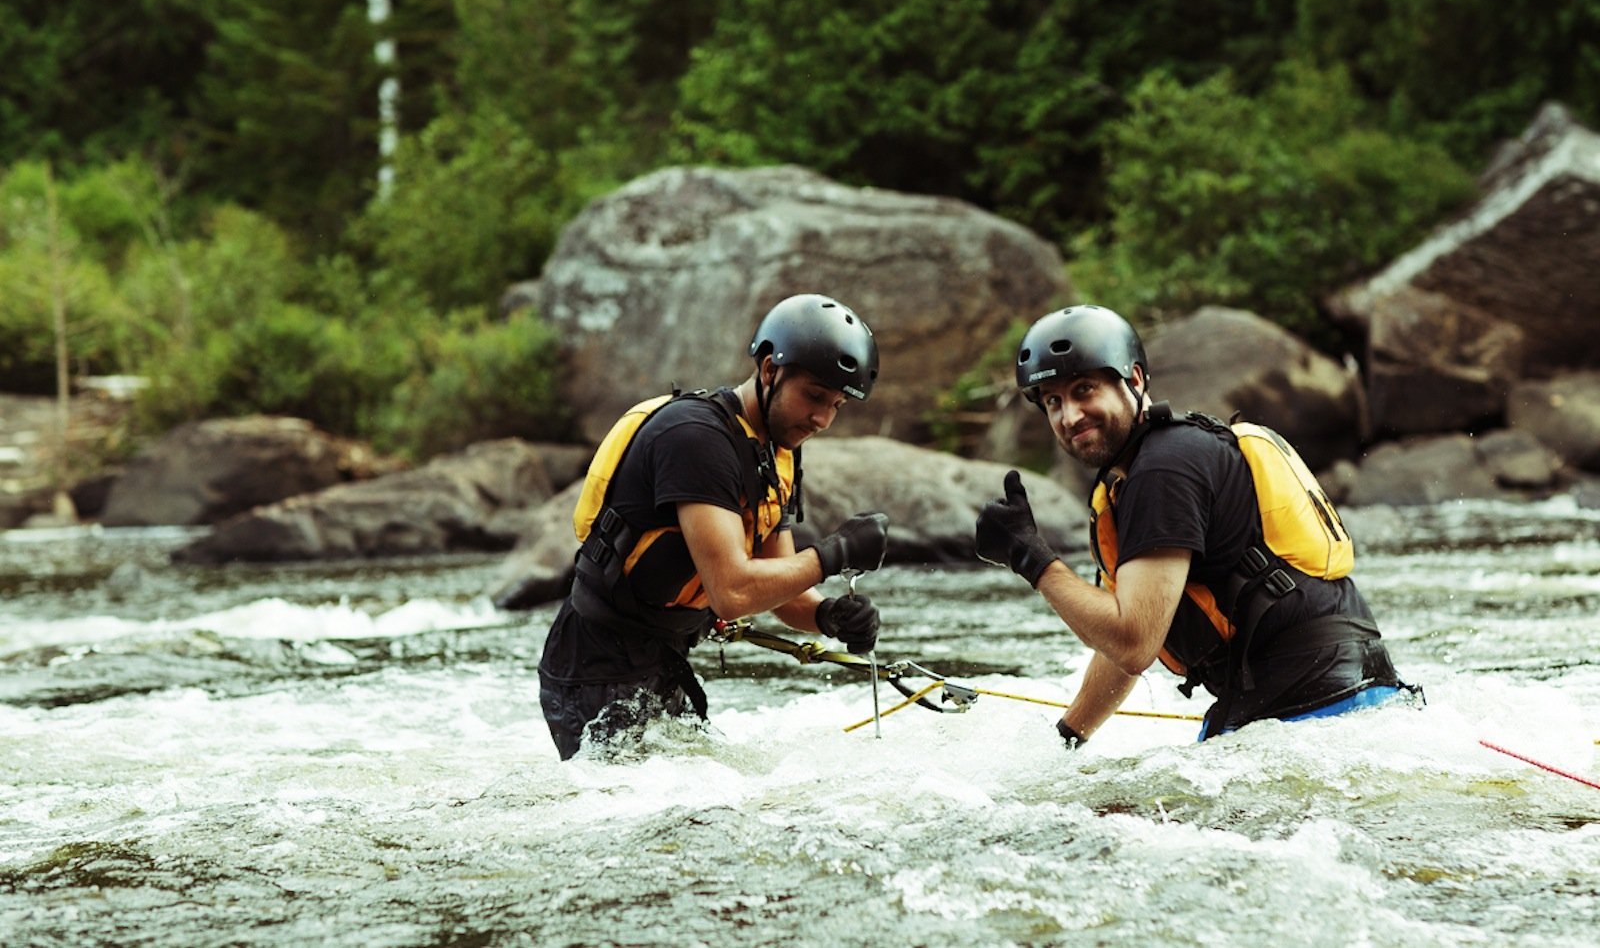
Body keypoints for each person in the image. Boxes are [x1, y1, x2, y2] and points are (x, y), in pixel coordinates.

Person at [975, 304, 1413, 744]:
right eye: (1054, 401)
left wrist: (1030, 557)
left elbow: (1133, 643)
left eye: (1084, 389)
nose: (1069, 416)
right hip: (1352, 694)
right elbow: (1126, 638)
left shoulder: (1163, 471)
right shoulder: (1150, 468)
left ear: (1135, 380)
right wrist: (1071, 734)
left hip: (1310, 706)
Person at [539, 293, 891, 760]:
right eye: (814, 396)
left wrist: (827, 616)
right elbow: (732, 592)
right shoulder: (697, 440)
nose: (823, 419)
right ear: (769, 370)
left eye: (838, 405)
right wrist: (835, 553)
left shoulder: (775, 449)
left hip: (662, 658)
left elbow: (780, 583)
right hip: (595, 665)